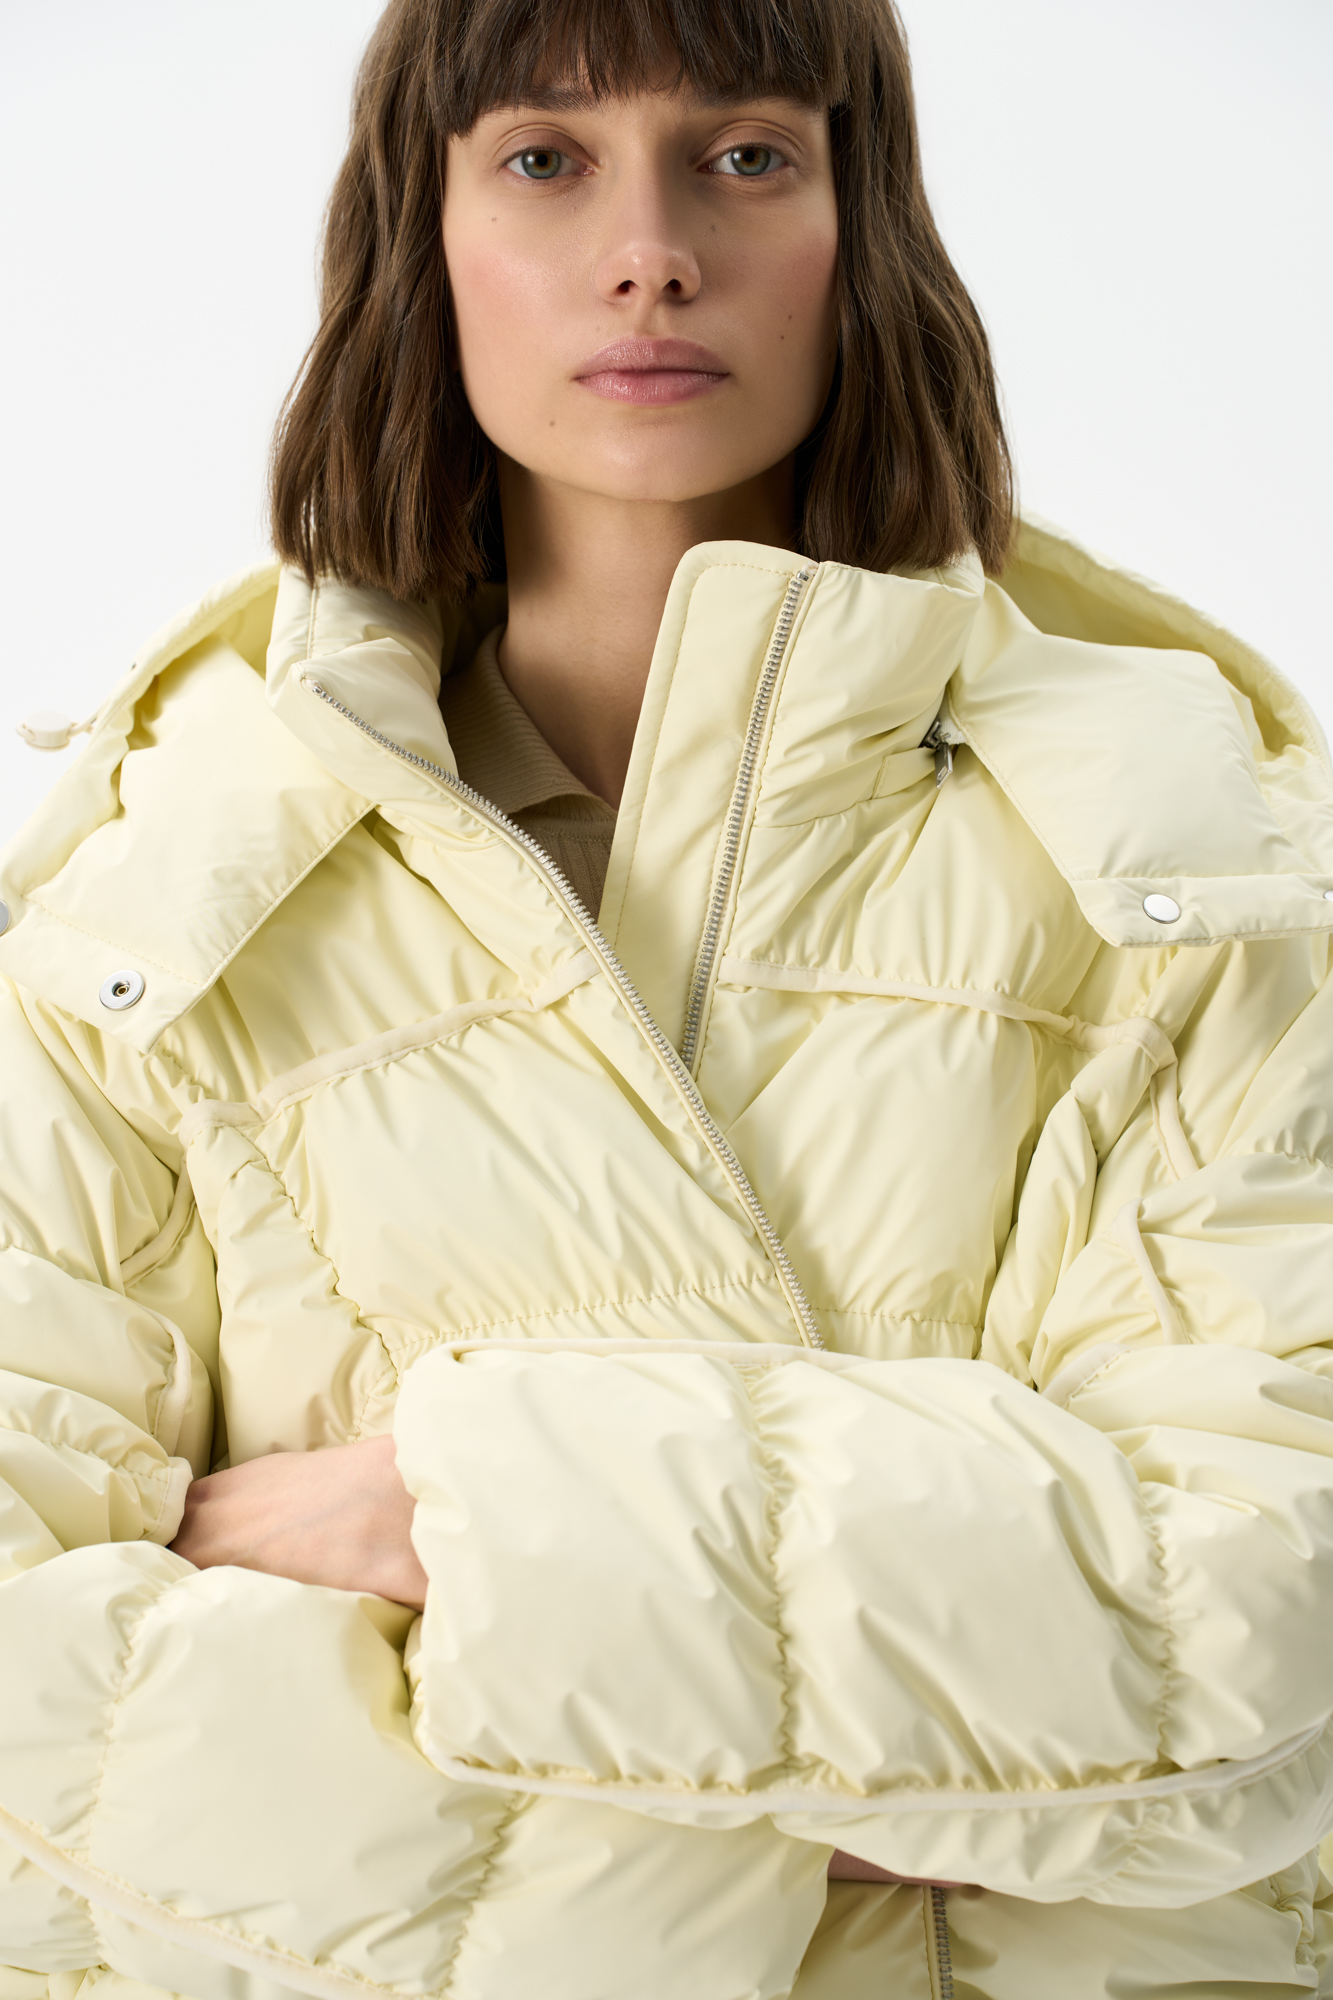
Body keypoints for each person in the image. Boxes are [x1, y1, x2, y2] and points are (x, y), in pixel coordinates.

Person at [1, 0, 1332, 1991]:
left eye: (743, 155)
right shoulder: (149, 892)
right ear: (423, 231)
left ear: (861, 227)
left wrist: (447, 1516)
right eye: (544, 160)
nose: (649, 253)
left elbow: (1261, 1633)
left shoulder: (1190, 860)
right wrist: (873, 1794)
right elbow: (29, 1720)